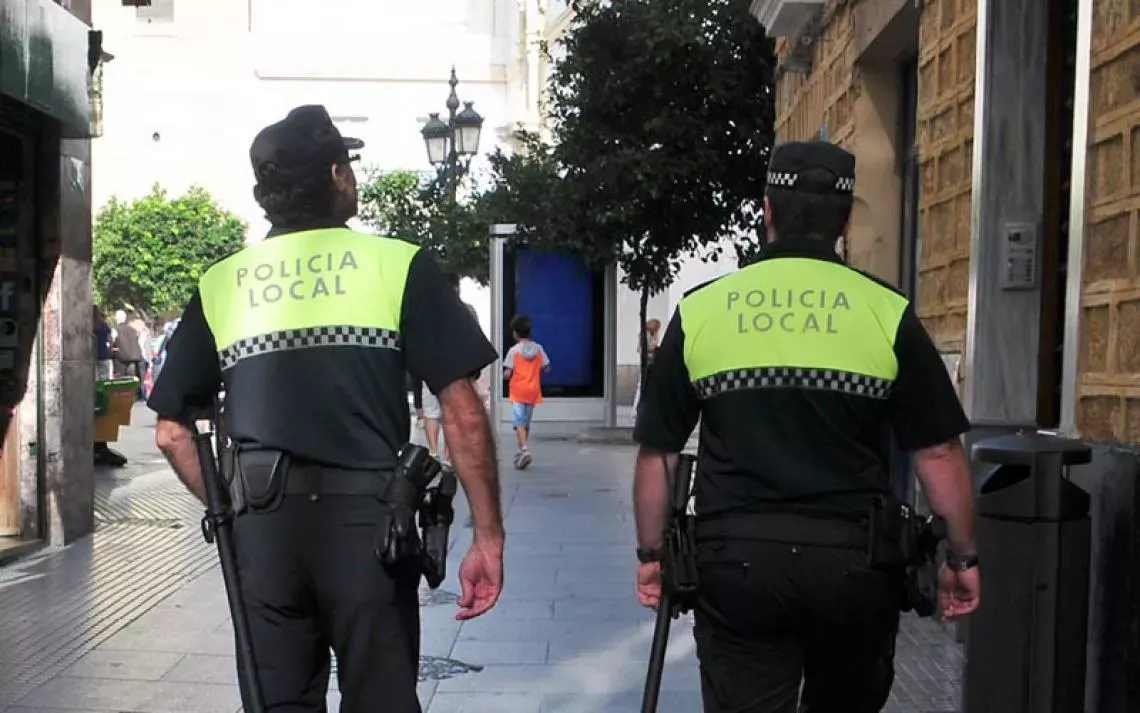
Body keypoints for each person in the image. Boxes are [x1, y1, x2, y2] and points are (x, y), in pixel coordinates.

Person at [147, 104, 505, 712]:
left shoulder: (223, 282)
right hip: (370, 530)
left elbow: (170, 433)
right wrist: (488, 535)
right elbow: (462, 411)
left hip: (264, 531)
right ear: (338, 174)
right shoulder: (398, 265)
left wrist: (231, 512)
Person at [631, 140, 981, 713]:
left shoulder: (701, 310)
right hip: (855, 563)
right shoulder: (885, 312)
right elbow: (938, 451)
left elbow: (659, 454)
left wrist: (652, 554)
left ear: (767, 209)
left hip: (736, 563)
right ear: (844, 222)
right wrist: (962, 559)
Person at [503, 315, 550, 470]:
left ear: (516, 333)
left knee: (518, 422)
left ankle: (524, 450)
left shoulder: (514, 351)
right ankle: (520, 452)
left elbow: (507, 372)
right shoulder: (538, 349)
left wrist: (506, 375)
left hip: (518, 391)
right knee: (525, 423)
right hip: (533, 390)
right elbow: (547, 367)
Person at [631, 317, 662, 414]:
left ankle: (642, 409)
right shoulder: (645, 336)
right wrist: (654, 351)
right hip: (646, 364)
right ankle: (636, 409)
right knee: (642, 386)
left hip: (650, 363)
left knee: (645, 386)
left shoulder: (651, 335)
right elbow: (643, 350)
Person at [92, 307, 113, 380]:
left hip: (92, 356)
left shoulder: (90, 325)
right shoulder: (104, 325)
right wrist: (110, 350)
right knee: (105, 380)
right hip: (104, 355)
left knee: (95, 380)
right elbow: (110, 340)